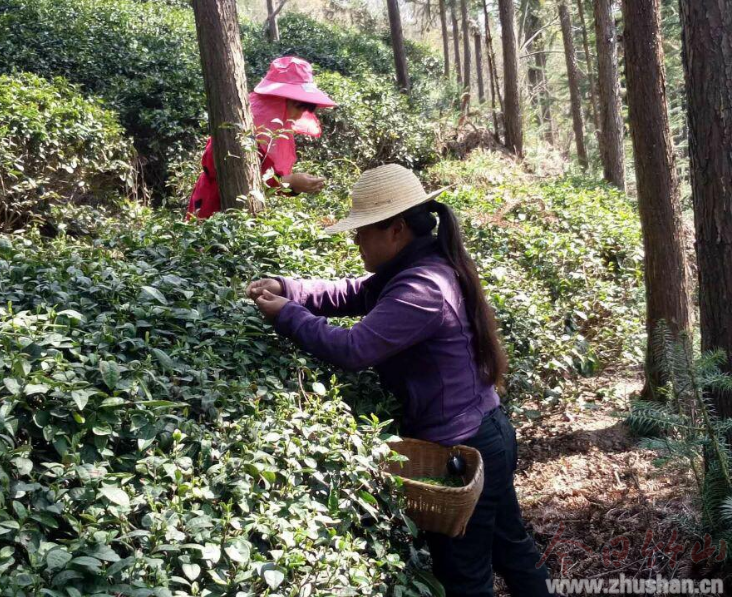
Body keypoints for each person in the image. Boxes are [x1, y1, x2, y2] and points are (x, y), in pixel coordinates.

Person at [246, 164, 551, 596]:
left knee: (465, 573)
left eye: (362, 231)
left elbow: (353, 349)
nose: (355, 240)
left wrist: (286, 315)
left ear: (396, 230)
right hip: (485, 433)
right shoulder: (416, 267)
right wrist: (286, 287)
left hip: (465, 447)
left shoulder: (421, 288)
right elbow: (348, 293)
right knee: (510, 545)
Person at [186, 56, 336, 219]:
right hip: (212, 212)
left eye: (306, 109)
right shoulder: (239, 132)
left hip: (243, 215)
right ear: (276, 102)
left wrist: (295, 184)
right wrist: (291, 181)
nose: (300, 114)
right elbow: (236, 180)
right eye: (299, 107)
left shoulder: (271, 136)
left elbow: (268, 182)